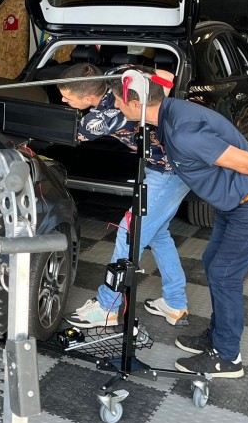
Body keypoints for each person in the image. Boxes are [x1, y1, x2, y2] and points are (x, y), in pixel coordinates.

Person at [108, 72, 248, 378]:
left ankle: (227, 357)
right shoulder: (175, 110)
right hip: (239, 204)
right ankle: (217, 337)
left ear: (136, 103)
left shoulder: (183, 131)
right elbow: (241, 145)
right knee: (213, 262)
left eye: (118, 101)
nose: (115, 106)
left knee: (224, 274)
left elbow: (246, 162)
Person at [58, 64, 191, 329]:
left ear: (88, 98)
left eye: (67, 98)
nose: (63, 101)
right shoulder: (120, 74)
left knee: (129, 232)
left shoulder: (99, 119)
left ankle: (108, 307)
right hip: (168, 167)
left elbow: (64, 133)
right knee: (158, 234)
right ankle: (175, 303)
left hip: (170, 171)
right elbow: (167, 77)